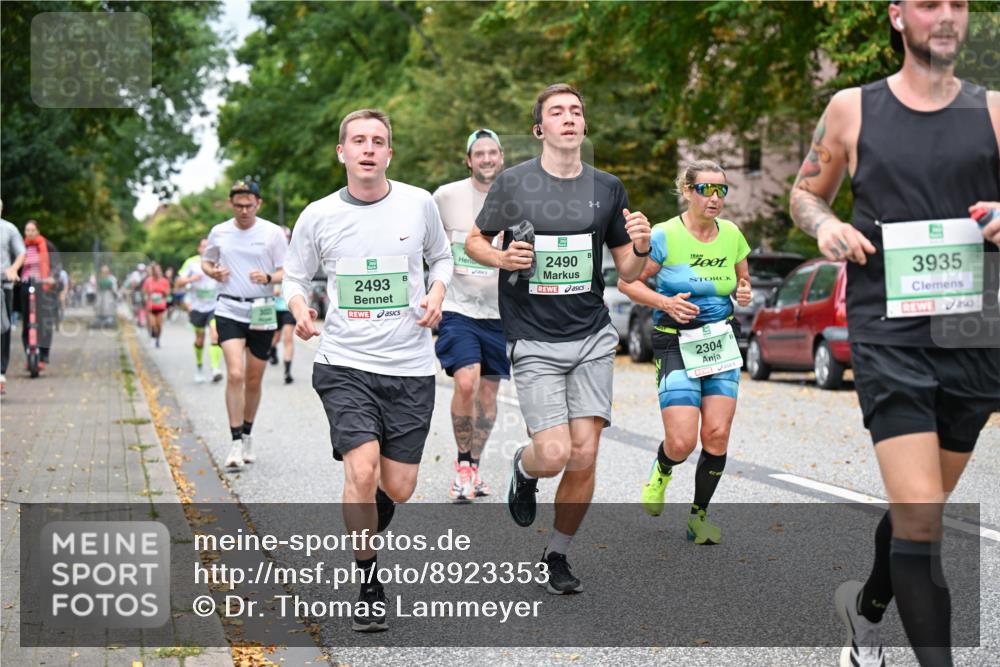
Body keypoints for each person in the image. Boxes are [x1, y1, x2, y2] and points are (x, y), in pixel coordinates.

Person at [788, 2, 999, 665]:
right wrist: (823, 224)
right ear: (897, 15)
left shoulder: (994, 110)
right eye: (929, 3)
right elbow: (804, 193)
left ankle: (866, 606)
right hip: (889, 330)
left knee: (923, 505)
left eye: (958, 4)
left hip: (974, 329)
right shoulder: (853, 109)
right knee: (918, 512)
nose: (946, 16)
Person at [464, 83, 651, 594]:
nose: (568, 118)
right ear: (539, 129)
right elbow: (474, 240)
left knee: (585, 454)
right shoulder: (514, 183)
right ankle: (525, 471)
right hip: (533, 336)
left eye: (576, 111)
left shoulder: (608, 188)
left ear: (584, 125)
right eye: (557, 112)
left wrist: (640, 244)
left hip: (590, 333)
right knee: (553, 453)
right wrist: (502, 258)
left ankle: (557, 554)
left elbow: (628, 269)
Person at [282, 108, 452, 632]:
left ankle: (369, 520)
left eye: (378, 140)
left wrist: (438, 294)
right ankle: (368, 581)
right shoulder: (317, 215)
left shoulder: (418, 204)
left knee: (398, 487)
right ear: (343, 152)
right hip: (345, 363)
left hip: (410, 367)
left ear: (389, 153)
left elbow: (442, 258)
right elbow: (293, 274)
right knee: (361, 469)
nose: (369, 148)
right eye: (359, 140)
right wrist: (299, 309)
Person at [619, 161, 752, 545]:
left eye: (721, 191)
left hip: (720, 340)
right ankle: (662, 470)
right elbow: (629, 283)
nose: (714, 198)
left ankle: (698, 516)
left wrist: (744, 292)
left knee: (717, 434)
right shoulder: (664, 235)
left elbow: (742, 281)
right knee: (681, 441)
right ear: (687, 191)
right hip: (675, 339)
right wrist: (665, 301)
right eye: (706, 189)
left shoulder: (731, 234)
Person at [433, 128, 508, 502]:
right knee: (466, 382)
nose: (487, 159)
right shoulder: (446, 197)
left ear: (501, 157)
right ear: (468, 160)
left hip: (500, 313)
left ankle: (474, 466)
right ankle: (462, 464)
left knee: (489, 395)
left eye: (492, 153)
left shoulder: (517, 198)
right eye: (479, 154)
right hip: (457, 308)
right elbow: (428, 248)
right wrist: (431, 294)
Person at [202, 180, 286, 470]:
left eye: (249, 205)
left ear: (258, 204)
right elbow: (206, 261)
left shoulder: (273, 233)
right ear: (231, 204)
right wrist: (214, 272)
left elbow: (286, 269)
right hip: (229, 306)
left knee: (253, 378)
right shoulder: (220, 232)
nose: (244, 210)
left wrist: (268, 278)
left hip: (261, 310)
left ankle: (248, 433)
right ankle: (235, 441)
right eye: (238, 206)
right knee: (235, 373)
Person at [176, 239, 223, 383]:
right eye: (203, 246)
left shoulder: (219, 261)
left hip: (214, 306)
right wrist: (192, 279)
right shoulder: (191, 263)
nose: (206, 248)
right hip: (197, 307)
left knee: (215, 335)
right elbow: (178, 283)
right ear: (199, 249)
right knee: (199, 340)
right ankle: (199, 366)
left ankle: (215, 369)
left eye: (209, 246)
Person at [18, 220, 61, 370]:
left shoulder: (47, 245)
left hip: (43, 285)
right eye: (27, 230)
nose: (29, 233)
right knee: (27, 322)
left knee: (43, 320)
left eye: (32, 230)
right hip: (25, 284)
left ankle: (43, 355)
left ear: (38, 231)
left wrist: (52, 277)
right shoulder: (20, 246)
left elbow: (56, 265)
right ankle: (29, 352)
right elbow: (16, 264)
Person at [1, 200, 26, 395]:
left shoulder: (9, 229)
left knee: (4, 326)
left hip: (4, 283)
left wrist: (13, 269)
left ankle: (0, 370)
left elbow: (21, 252)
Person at [268, 226, 295, 384]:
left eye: (287, 237)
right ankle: (272, 350)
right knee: (275, 337)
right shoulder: (271, 257)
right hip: (273, 306)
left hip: (288, 305)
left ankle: (287, 371)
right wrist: (272, 290)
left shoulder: (294, 257)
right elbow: (264, 279)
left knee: (287, 337)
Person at [142, 262, 170, 348]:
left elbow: (167, 293)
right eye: (155, 270)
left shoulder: (164, 281)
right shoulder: (148, 280)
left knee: (159, 325)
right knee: (153, 323)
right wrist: (148, 293)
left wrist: (163, 291)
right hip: (151, 306)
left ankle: (158, 340)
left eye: (158, 270)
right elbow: (144, 291)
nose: (156, 272)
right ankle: (153, 331)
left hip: (160, 306)